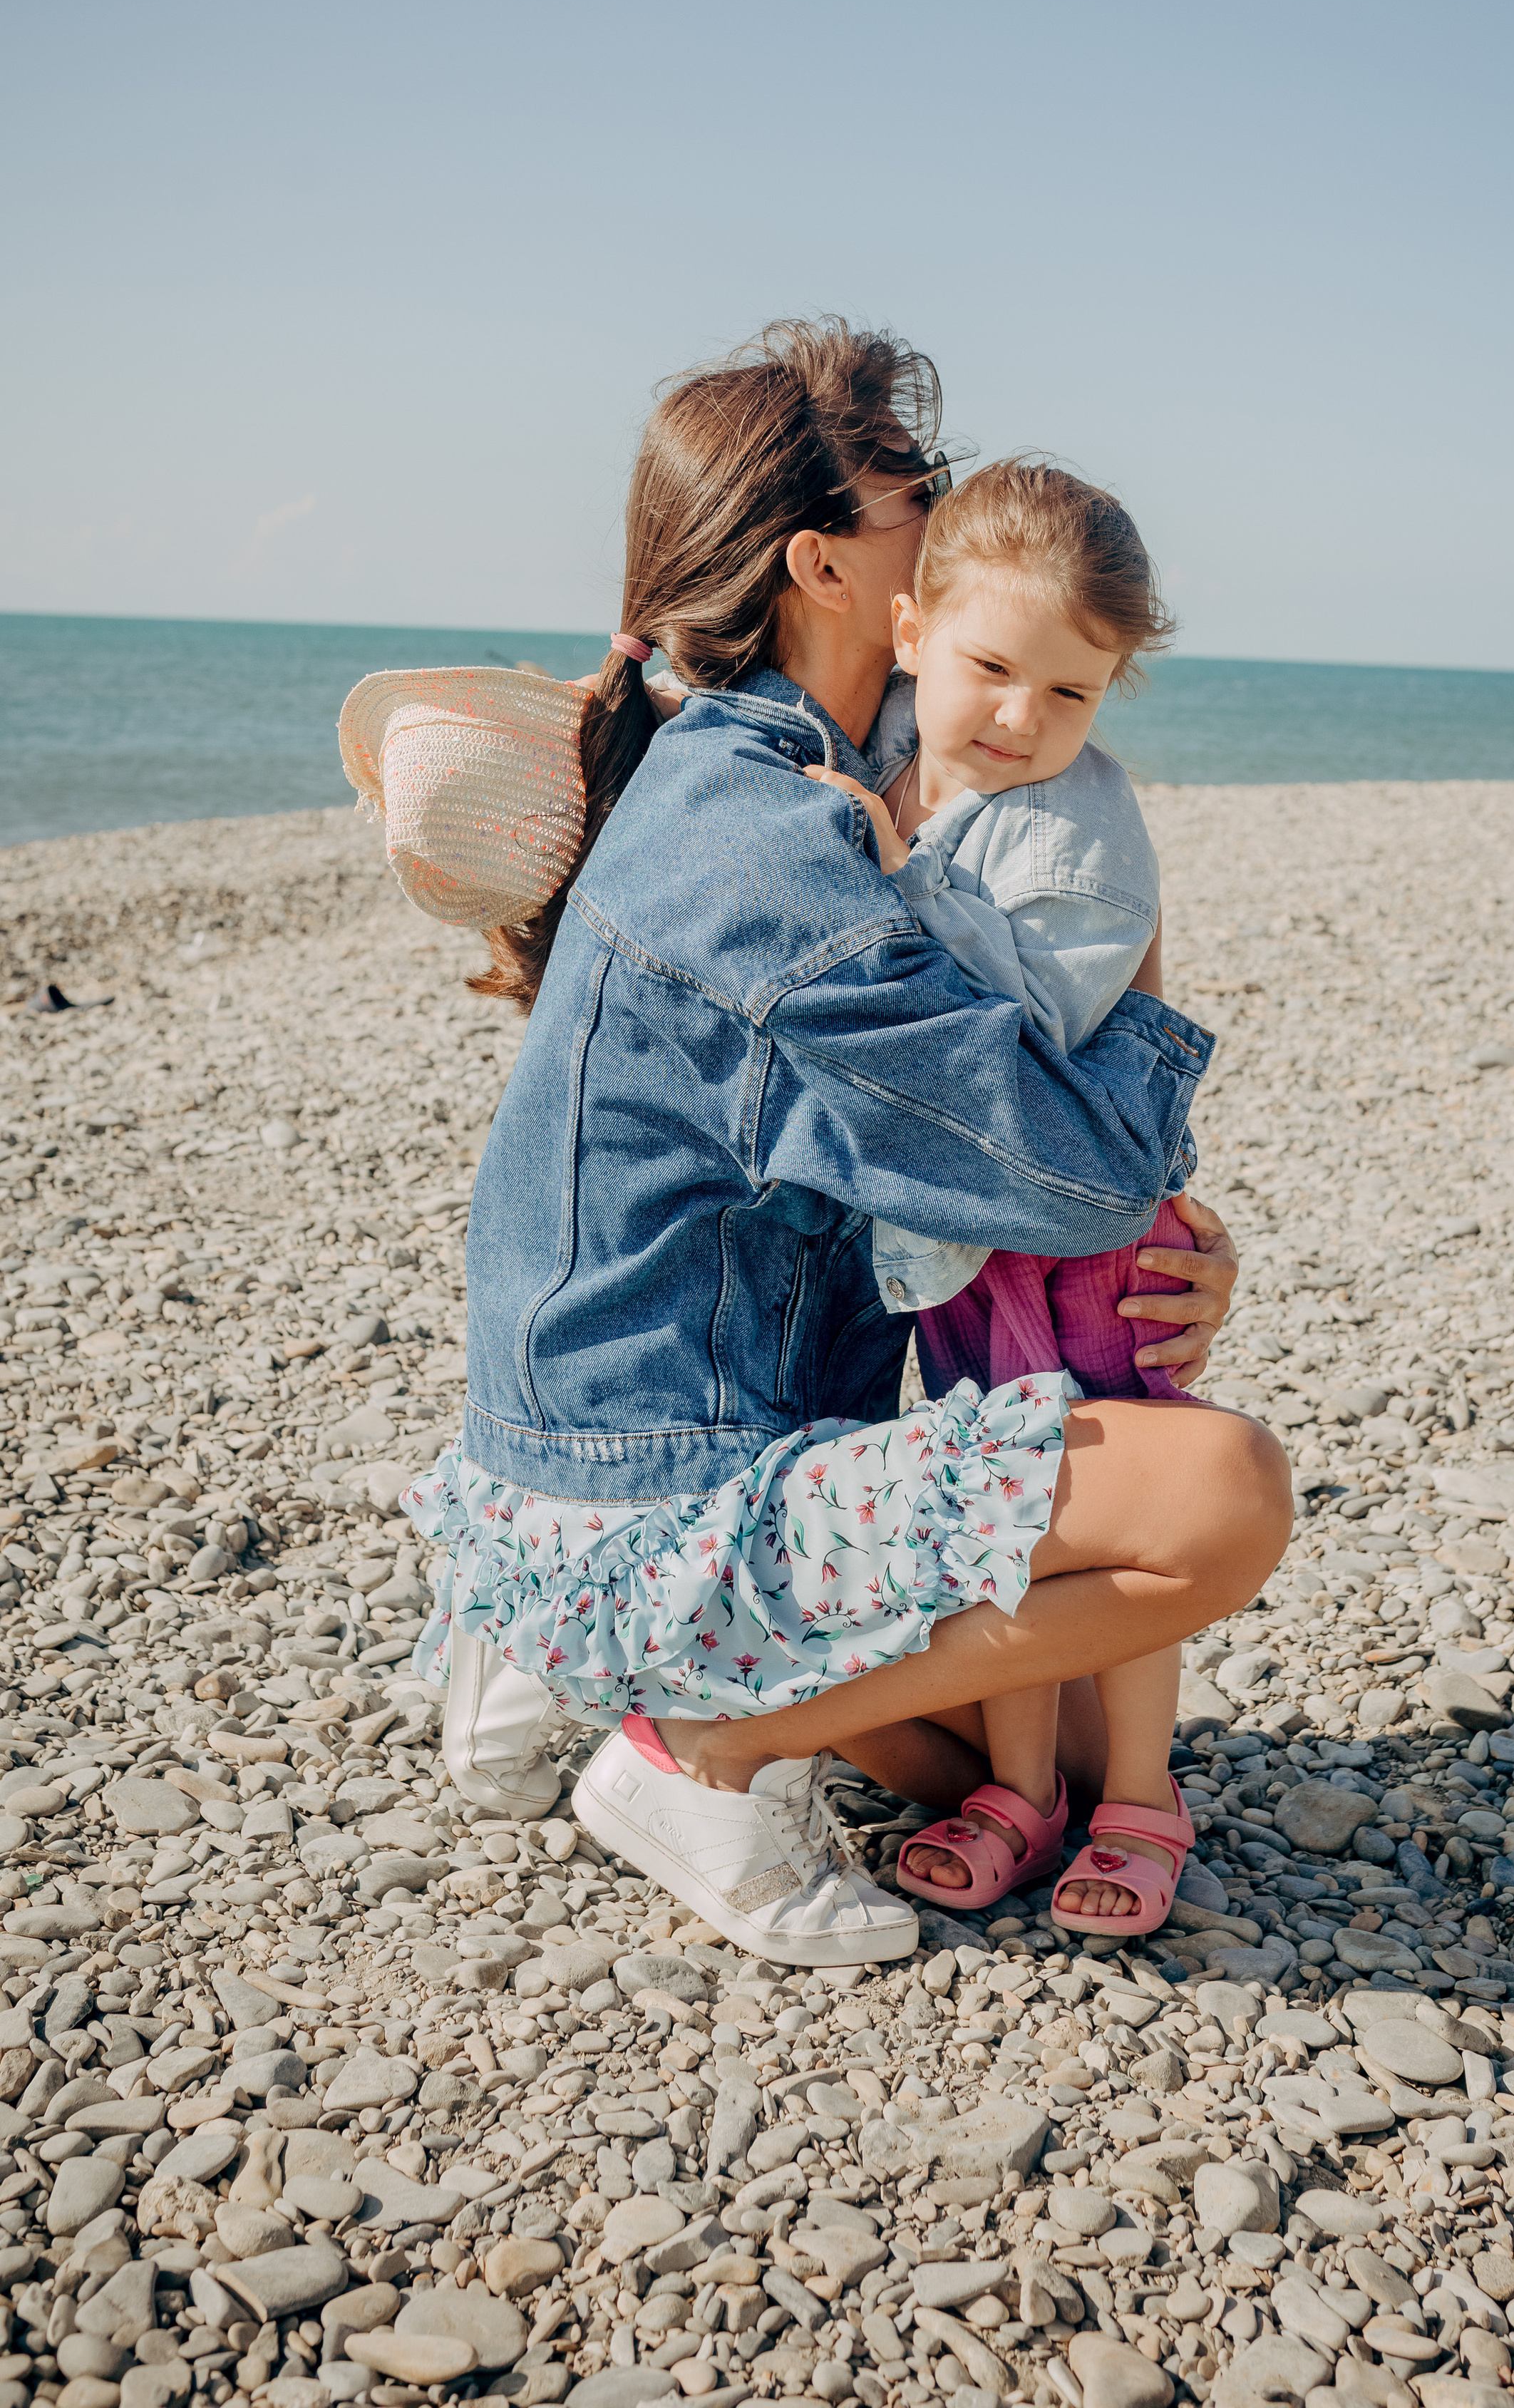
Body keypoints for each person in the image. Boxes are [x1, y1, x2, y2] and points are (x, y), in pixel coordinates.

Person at [370, 319, 1289, 1966]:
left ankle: (592, 1665)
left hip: (629, 1450)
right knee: (1221, 1503)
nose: (943, 515)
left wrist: (1168, 1242)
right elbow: (1072, 1174)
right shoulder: (763, 840)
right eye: (912, 498)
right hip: (657, 1496)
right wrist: (1145, 1008)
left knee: (1074, 1767)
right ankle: (688, 1749)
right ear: (830, 566)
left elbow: (1020, 1157)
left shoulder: (831, 778)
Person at [801, 456, 1208, 1930]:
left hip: (1080, 1229)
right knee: (994, 1503)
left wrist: (902, 873)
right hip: (959, 1240)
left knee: (1101, 1508)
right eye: (991, 669)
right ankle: (1020, 1792)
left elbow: (1025, 1041)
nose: (1024, 720)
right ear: (907, 630)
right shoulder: (886, 745)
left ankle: (1142, 1794)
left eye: (1071, 694)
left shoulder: (1083, 833)